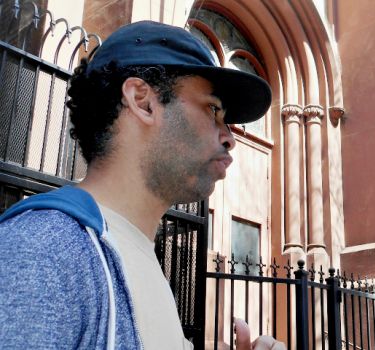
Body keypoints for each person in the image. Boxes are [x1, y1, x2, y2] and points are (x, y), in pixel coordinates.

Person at [0, 20, 283, 349]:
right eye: (213, 109)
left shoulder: (137, 256)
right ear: (143, 101)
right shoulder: (44, 252)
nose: (230, 138)